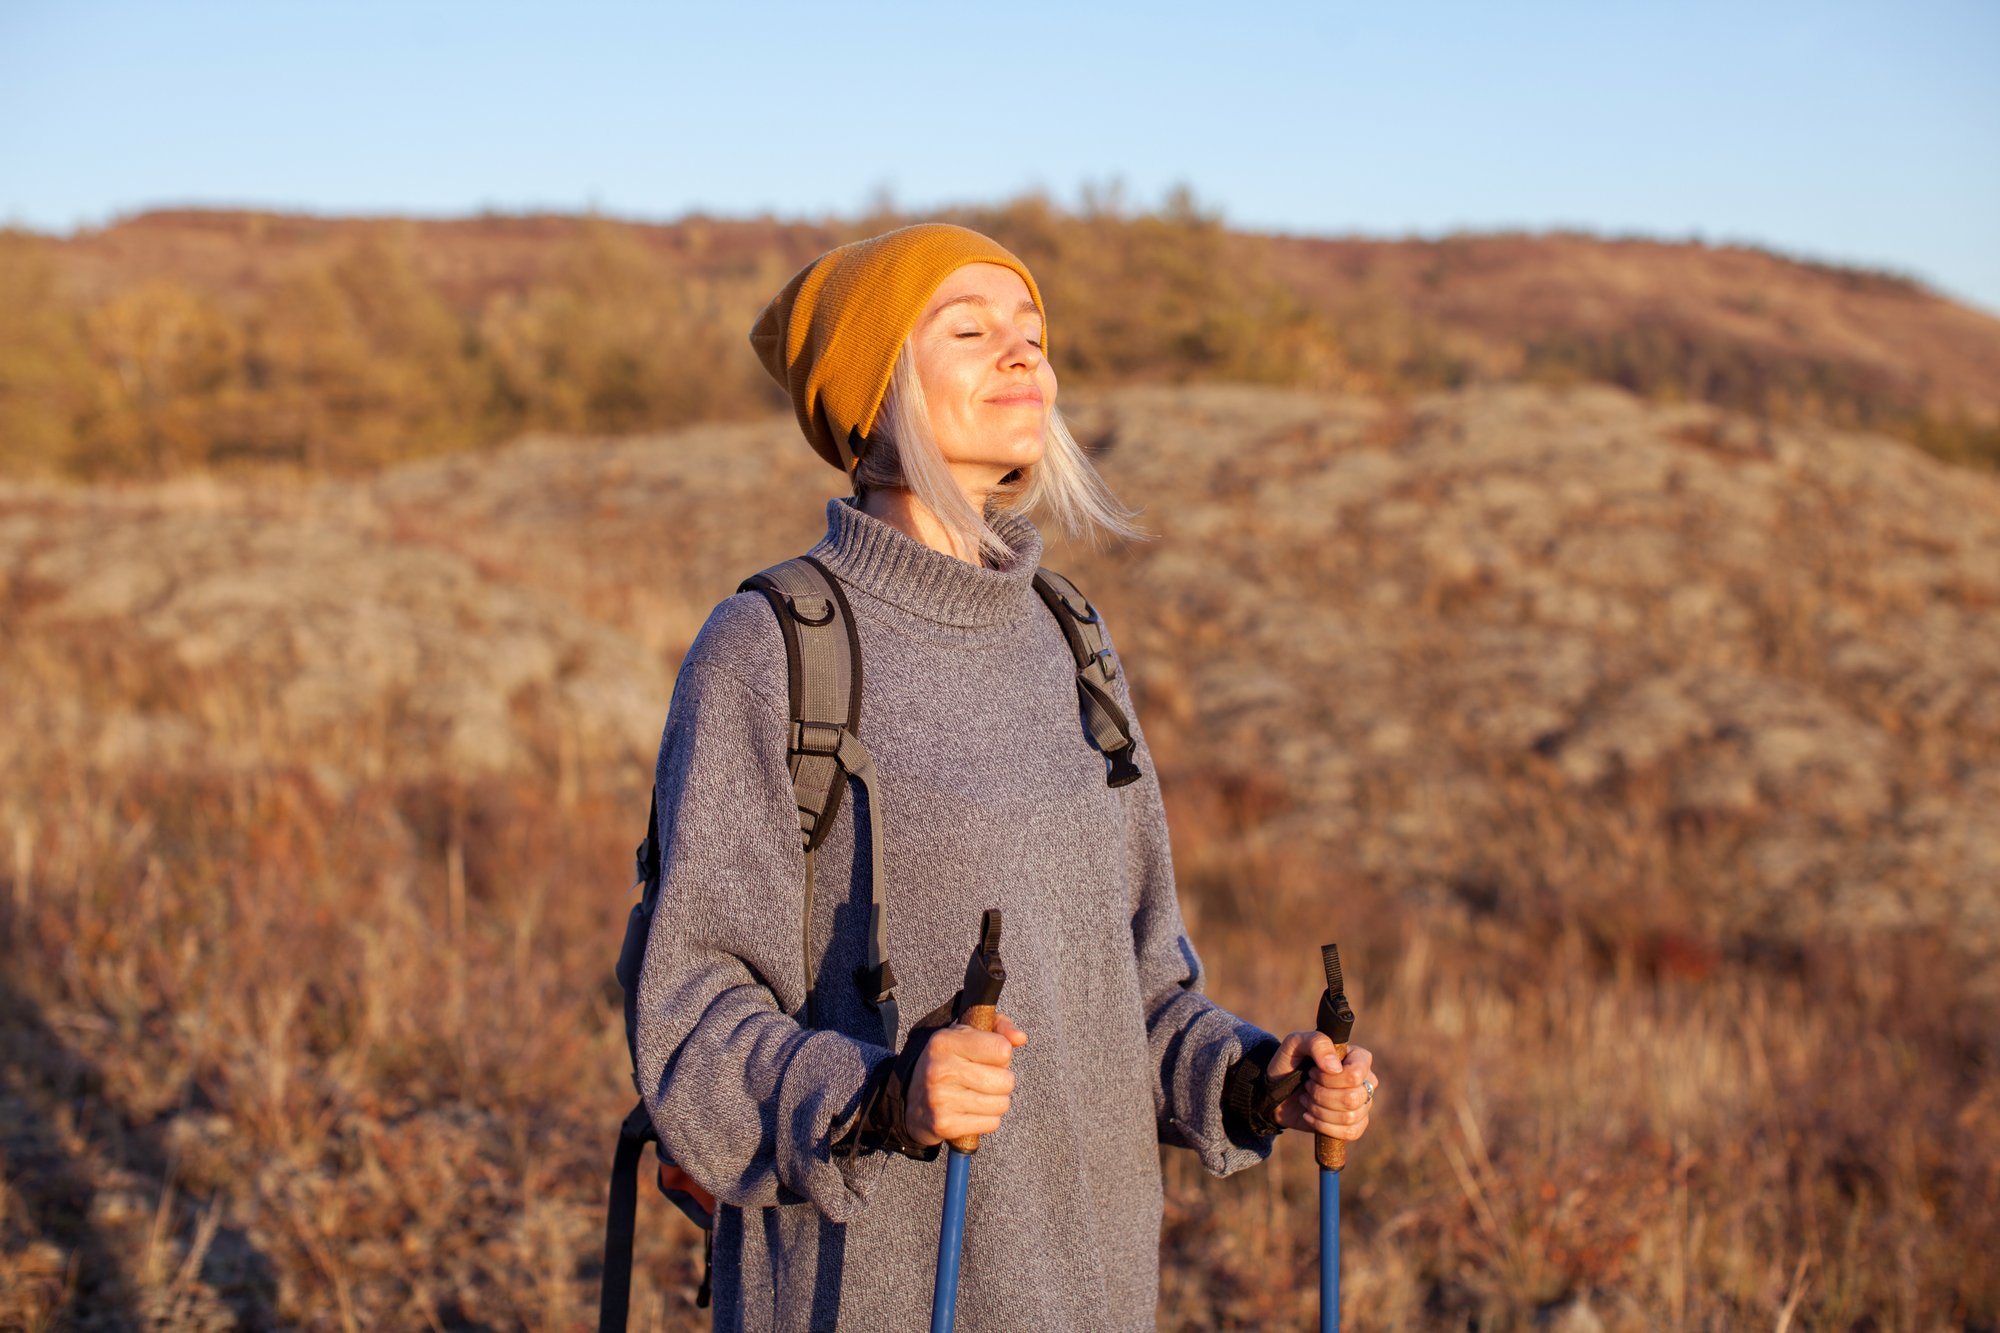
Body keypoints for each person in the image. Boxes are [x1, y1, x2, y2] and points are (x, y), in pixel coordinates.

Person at [634, 222, 1378, 1331]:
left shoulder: (1069, 635)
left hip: (1093, 1286)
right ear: (871, 391)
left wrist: (1259, 1076)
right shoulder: (768, 646)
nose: (1024, 356)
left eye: (1032, 333)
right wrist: (884, 1095)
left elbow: (1137, 995)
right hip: (865, 1297)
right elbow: (693, 1021)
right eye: (971, 331)